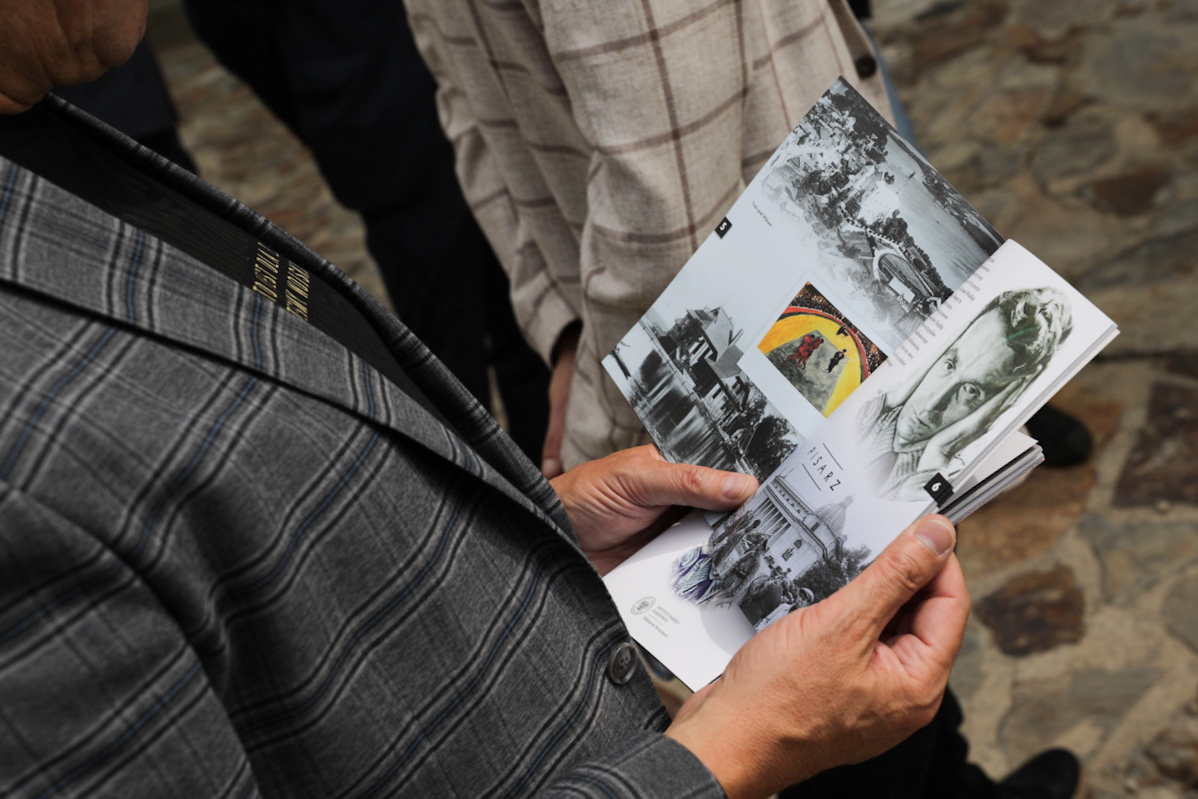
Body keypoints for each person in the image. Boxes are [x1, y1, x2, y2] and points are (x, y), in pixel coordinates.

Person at [400, 0, 894, 476]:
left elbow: (664, 219)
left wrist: (595, 436)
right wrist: (565, 331)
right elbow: (471, 106)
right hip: (661, 326)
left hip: (754, 282)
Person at [858, 287, 1073, 501]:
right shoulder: (869, 409)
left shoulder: (874, 415)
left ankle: (1027, 411)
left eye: (971, 390)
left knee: (1015, 456)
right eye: (949, 364)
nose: (931, 405)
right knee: (1013, 459)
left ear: (1005, 399)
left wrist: (939, 454)